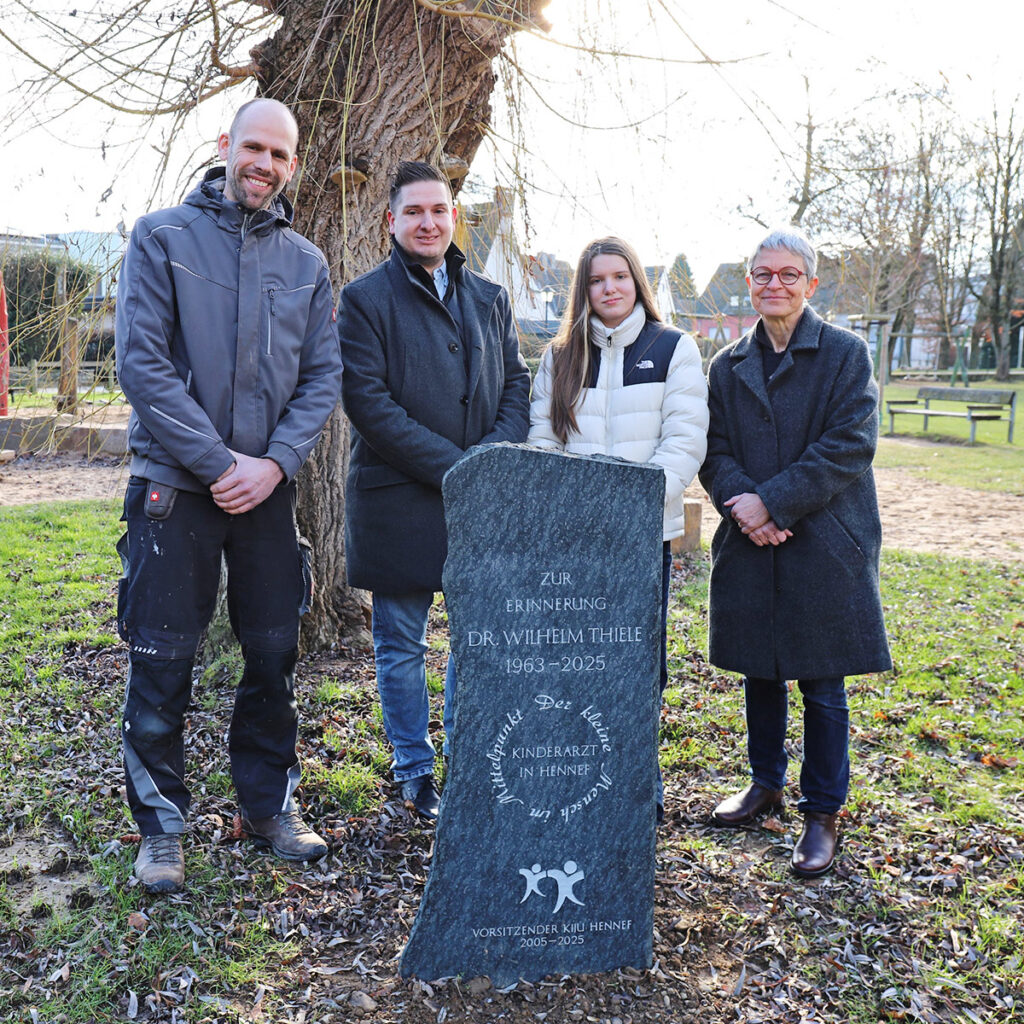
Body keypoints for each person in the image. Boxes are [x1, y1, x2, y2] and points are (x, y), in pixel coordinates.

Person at [115, 98, 343, 894]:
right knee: (161, 656)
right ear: (226, 146)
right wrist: (218, 463)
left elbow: (323, 378)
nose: (266, 165)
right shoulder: (163, 238)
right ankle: (163, 827)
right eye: (255, 147)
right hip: (175, 489)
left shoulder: (308, 264)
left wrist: (275, 464)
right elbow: (141, 366)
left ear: (292, 165)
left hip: (268, 493)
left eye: (281, 155)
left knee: (275, 652)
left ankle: (267, 806)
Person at [339, 161, 531, 820]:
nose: (428, 222)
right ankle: (415, 769)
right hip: (399, 499)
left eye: (439, 211)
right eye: (414, 212)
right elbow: (368, 403)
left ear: (455, 219)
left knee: (475, 640)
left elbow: (516, 387)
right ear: (392, 221)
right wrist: (457, 468)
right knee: (401, 641)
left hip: (480, 504)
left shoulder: (490, 297)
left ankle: (471, 757)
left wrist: (485, 462)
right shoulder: (364, 300)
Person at [699, 226, 891, 877]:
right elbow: (713, 448)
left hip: (825, 541)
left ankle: (822, 812)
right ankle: (765, 784)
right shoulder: (725, 366)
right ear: (748, 283)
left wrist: (772, 504)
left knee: (821, 679)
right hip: (750, 539)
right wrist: (742, 504)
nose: (773, 285)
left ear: (810, 284)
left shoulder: (845, 354)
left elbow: (849, 444)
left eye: (787, 275)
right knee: (760, 668)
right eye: (761, 274)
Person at [527, 236, 709, 822]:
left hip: (639, 540)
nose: (609, 289)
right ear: (584, 288)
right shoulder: (560, 356)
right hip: (573, 542)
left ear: (637, 283)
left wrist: (628, 511)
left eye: (620, 277)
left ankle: (637, 780)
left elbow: (683, 441)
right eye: (597, 280)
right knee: (572, 665)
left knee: (636, 668)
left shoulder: (673, 348)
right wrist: (568, 515)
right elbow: (542, 443)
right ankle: (576, 775)